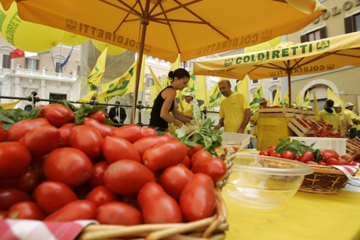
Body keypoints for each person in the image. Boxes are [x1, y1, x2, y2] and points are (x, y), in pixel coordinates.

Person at [149, 68, 194, 134]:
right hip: (157, 130)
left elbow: (177, 114)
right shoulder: (171, 92)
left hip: (156, 129)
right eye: (184, 83)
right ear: (176, 79)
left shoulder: (171, 92)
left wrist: (191, 121)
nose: (185, 86)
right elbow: (164, 114)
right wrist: (181, 125)